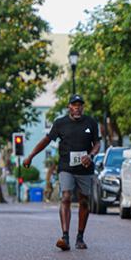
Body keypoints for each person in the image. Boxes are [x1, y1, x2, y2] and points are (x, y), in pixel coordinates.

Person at [24, 94, 101, 250]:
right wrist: (31, 156)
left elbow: (97, 143)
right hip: (66, 167)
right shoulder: (60, 124)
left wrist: (91, 156)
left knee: (84, 201)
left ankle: (80, 237)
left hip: (85, 168)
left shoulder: (91, 123)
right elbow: (46, 140)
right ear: (69, 108)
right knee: (65, 197)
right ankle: (65, 236)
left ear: (83, 107)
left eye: (80, 105)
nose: (77, 107)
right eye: (74, 105)